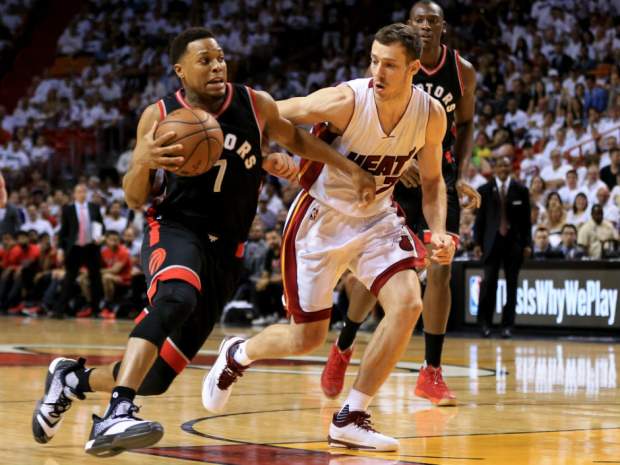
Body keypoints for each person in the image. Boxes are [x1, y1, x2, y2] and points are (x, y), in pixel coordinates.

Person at [31, 27, 374, 457]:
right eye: (204, 61)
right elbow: (136, 197)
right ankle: (117, 413)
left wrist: (349, 169)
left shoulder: (255, 103)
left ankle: (71, 379)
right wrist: (143, 161)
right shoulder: (159, 116)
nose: (217, 67)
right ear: (180, 71)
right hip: (176, 228)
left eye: (220, 59)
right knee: (176, 296)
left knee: (155, 377)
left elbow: (299, 139)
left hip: (226, 251)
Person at [202, 23, 455, 451]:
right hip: (320, 220)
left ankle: (352, 414)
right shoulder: (347, 100)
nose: (378, 71)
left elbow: (432, 182)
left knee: (409, 302)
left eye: (390, 65)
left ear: (414, 68)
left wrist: (441, 230)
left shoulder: (431, 114)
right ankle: (236, 355)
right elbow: (272, 111)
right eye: (374, 60)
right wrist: (250, 139)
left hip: (376, 220)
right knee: (307, 338)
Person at [320, 0, 478, 407]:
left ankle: (432, 372)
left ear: (443, 27)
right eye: (419, 20)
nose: (425, 26)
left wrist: (458, 174)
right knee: (380, 276)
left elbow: (464, 125)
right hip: (392, 177)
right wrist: (398, 157)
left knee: (441, 266)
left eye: (433, 20)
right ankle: (344, 346)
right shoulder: (390, 66)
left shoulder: (461, 72)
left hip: (434, 178)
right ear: (409, 26)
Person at [474, 156, 532, 339]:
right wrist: (476, 243)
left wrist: (528, 243)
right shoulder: (483, 190)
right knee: (488, 284)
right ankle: (485, 324)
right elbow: (480, 220)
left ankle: (508, 326)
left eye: (506, 164)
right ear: (494, 168)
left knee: (512, 285)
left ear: (511, 167)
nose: (503, 167)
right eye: (500, 164)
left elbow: (526, 221)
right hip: (491, 243)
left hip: (514, 243)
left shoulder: (521, 190)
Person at [51, 183, 104, 319]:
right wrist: (61, 249)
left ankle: (96, 310)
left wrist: (100, 236)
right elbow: (64, 232)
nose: (82, 193)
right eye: (79, 191)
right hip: (74, 248)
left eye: (84, 191)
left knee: (95, 279)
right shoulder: (68, 209)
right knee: (69, 279)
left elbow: (100, 225)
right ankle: (59, 310)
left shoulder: (94, 207)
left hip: (91, 247)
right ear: (74, 194)